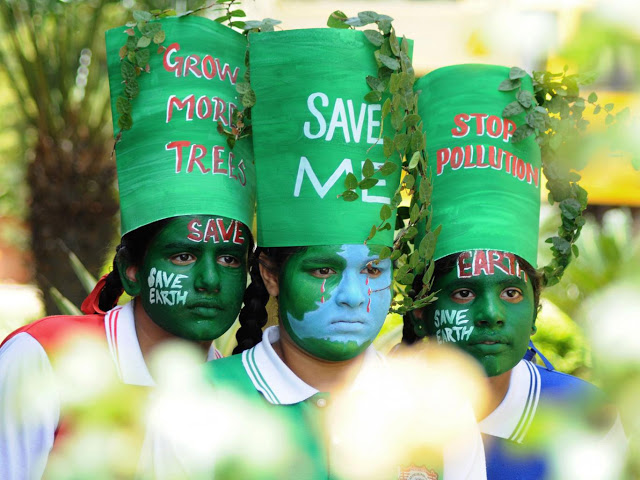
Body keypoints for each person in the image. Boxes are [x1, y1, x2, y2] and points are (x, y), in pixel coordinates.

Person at [146, 28, 487, 480]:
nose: (351, 295)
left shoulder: (438, 410)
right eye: (323, 269)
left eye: (371, 269)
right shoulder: (197, 404)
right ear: (270, 274)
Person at [0, 15, 255, 479]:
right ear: (132, 269)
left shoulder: (242, 398)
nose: (210, 279)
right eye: (182, 255)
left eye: (229, 258)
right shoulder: (46, 360)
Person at [404, 64, 627, 479]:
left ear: (537, 309)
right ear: (420, 310)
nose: (491, 313)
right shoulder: (374, 416)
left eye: (511, 292)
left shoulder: (585, 416)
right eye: (464, 293)